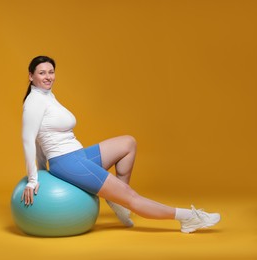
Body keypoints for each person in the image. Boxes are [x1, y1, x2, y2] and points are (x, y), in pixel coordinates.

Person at [21, 55, 220, 233]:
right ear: (31, 76)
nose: (48, 77)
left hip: (78, 155)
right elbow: (29, 139)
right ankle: (189, 218)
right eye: (42, 73)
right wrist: (34, 177)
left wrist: (41, 166)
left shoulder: (47, 96)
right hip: (66, 162)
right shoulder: (34, 101)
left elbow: (40, 137)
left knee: (128, 143)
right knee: (131, 197)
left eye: (51, 72)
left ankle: (117, 200)